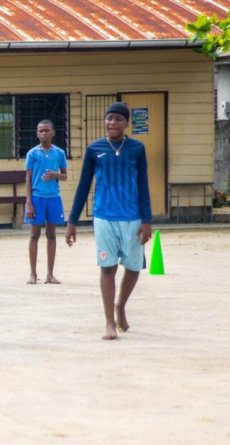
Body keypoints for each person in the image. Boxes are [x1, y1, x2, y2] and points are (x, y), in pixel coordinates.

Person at [65, 102, 152, 340]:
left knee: (133, 268)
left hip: (132, 217)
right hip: (104, 217)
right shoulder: (95, 149)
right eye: (109, 118)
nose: (112, 123)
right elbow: (83, 186)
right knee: (107, 267)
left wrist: (147, 220)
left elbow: (143, 185)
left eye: (117, 119)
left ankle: (120, 305)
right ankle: (109, 323)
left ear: (126, 123)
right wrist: (72, 220)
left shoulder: (137, 148)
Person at [24, 120, 67, 285]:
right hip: (37, 197)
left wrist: (55, 175)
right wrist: (29, 202)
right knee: (34, 234)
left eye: (47, 130)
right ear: (37, 133)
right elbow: (27, 179)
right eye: (40, 131)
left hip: (53, 197)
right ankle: (33, 274)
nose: (44, 133)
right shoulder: (33, 154)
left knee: (51, 234)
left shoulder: (59, 153)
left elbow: (64, 176)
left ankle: (50, 274)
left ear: (53, 132)